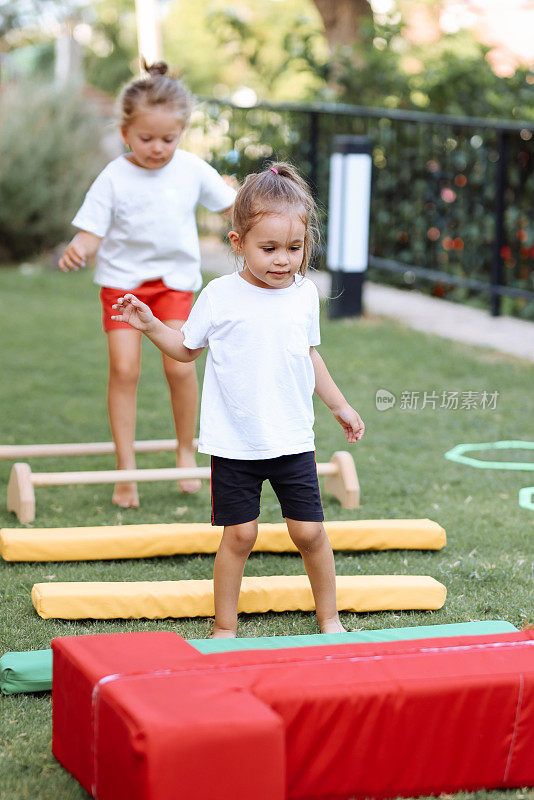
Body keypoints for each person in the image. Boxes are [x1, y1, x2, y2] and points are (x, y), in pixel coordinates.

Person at [112, 162, 365, 637]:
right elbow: (186, 350)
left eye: (294, 248)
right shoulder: (219, 296)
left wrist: (340, 405)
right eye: (268, 248)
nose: (282, 260)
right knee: (240, 536)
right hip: (234, 445)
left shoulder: (304, 295)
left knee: (309, 533)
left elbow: (309, 357)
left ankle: (329, 618)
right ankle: (224, 627)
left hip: (291, 439)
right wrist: (149, 326)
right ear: (237, 243)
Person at [58, 61, 236, 508]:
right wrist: (79, 247)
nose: (157, 148)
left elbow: (234, 208)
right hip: (123, 287)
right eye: (146, 139)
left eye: (168, 139)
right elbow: (92, 232)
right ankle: (126, 468)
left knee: (180, 365)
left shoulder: (192, 169)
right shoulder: (114, 177)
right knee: (124, 370)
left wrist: (266, 224)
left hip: (174, 285)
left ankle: (183, 449)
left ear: (182, 133)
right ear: (125, 133)